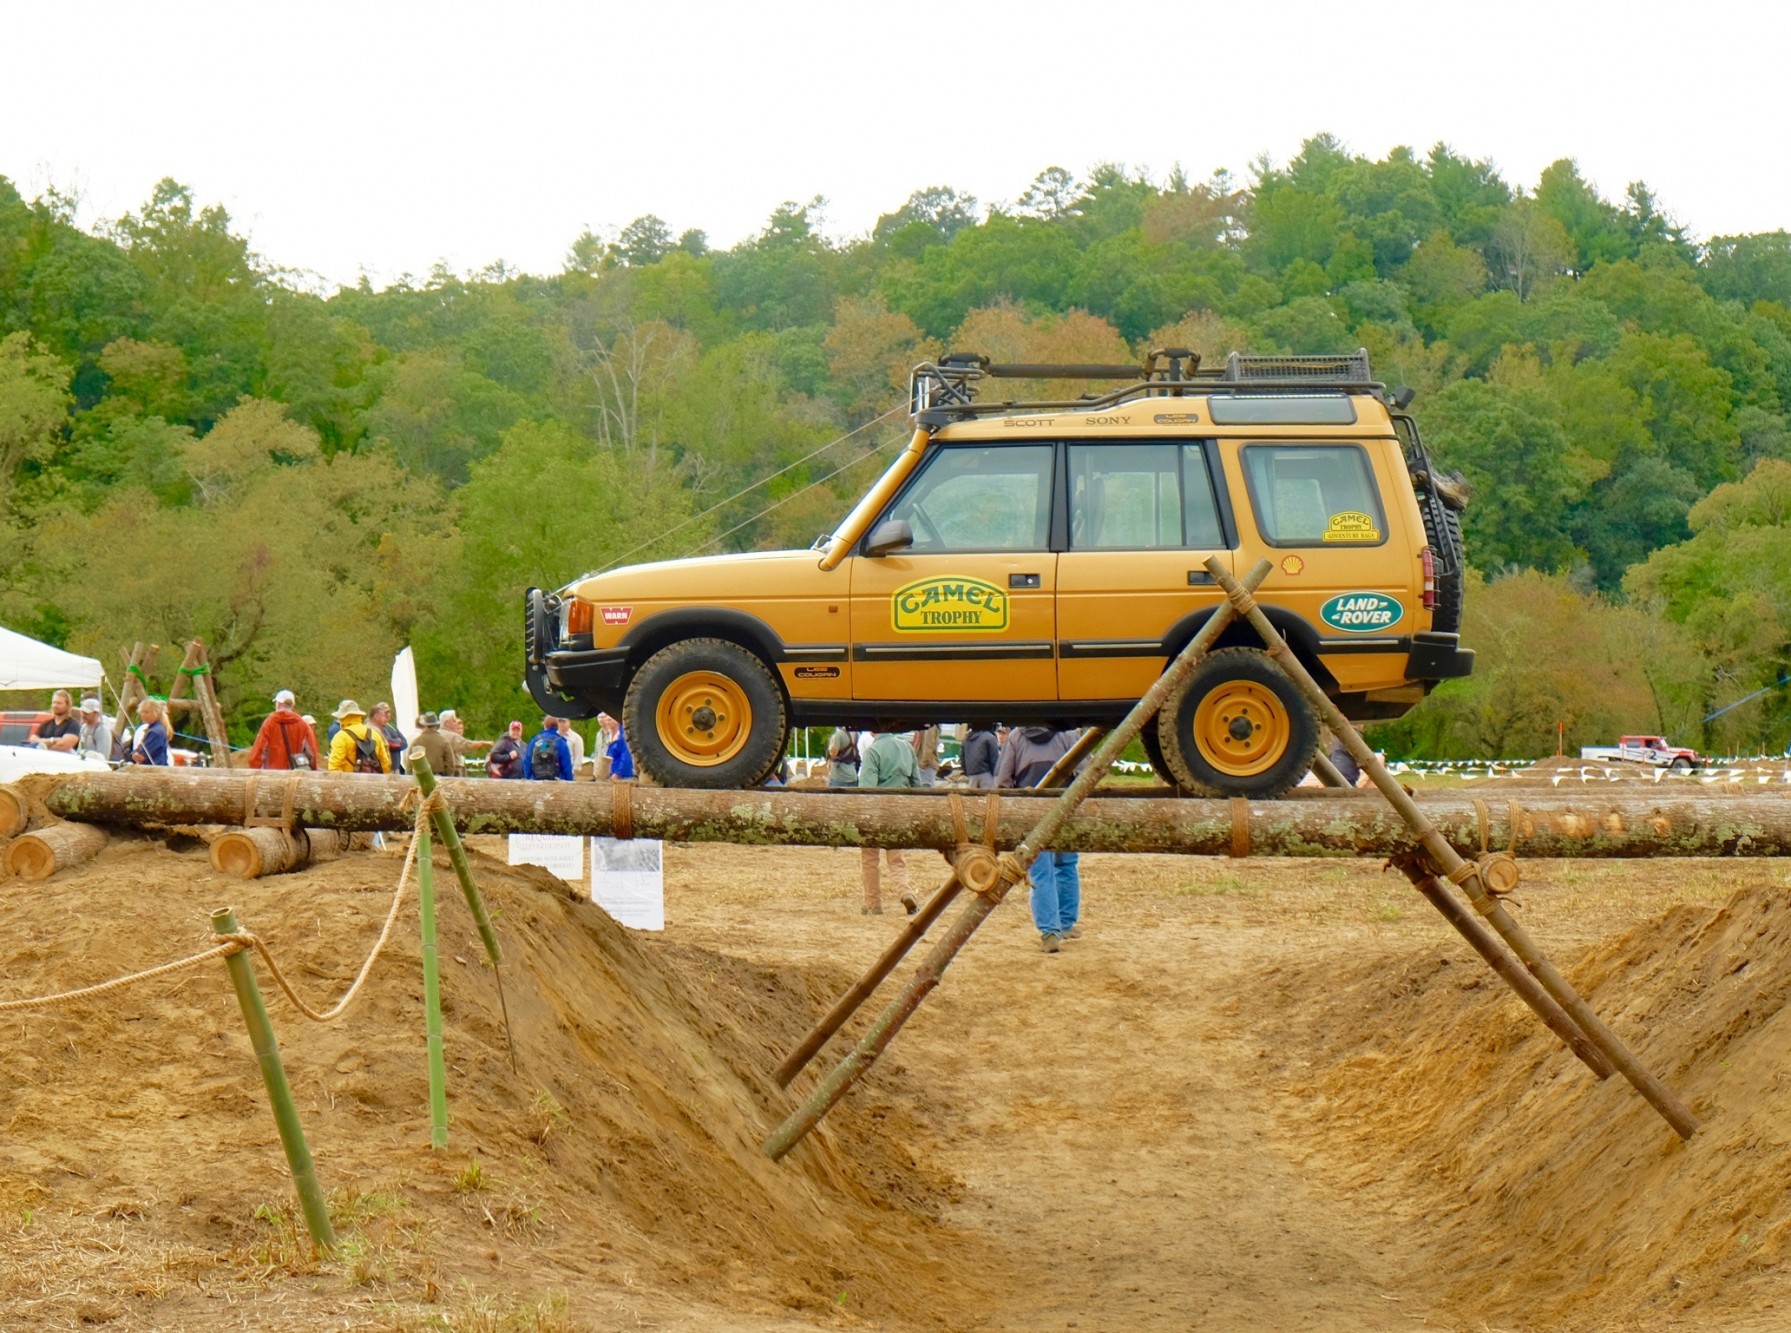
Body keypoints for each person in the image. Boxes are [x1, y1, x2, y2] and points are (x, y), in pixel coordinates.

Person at [998, 726, 1083, 953]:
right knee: (1067, 865)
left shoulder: (1015, 737)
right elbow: (1084, 771)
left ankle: (1049, 932)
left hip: (1031, 813)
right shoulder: (1068, 734)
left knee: (1040, 872)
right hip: (1064, 808)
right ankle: (1066, 923)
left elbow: (1004, 780)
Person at [857, 724, 919, 915]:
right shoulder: (907, 747)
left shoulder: (873, 751)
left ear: (872, 730)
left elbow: (867, 789)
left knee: (870, 858)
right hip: (899, 809)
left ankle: (873, 903)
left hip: (877, 811)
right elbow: (916, 784)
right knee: (896, 858)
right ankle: (905, 892)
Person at [246, 689, 320, 771]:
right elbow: (312, 753)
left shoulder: (269, 723)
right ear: (292, 705)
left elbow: (258, 752)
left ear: (278, 704)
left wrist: (256, 769)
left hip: (271, 775)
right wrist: (312, 770)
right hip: (295, 775)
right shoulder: (303, 725)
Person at [327, 700, 392, 774]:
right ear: (359, 716)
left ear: (342, 717)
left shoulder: (340, 737)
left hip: (349, 782)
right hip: (373, 781)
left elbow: (334, 767)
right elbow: (385, 763)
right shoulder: (374, 734)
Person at [411, 711, 459, 777]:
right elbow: (450, 763)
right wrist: (447, 776)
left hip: (421, 778)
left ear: (425, 725)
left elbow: (410, 762)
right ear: (436, 725)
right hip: (440, 776)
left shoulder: (416, 742)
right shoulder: (444, 741)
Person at [526, 715, 573, 781]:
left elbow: (527, 761)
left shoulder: (535, 740)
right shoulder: (561, 742)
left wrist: (529, 778)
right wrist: (569, 781)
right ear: (557, 726)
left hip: (536, 780)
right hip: (557, 781)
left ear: (545, 725)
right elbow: (567, 766)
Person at [131, 698, 171, 766]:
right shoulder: (153, 729)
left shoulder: (155, 732)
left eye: (146, 712)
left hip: (154, 770)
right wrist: (134, 753)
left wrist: (136, 754)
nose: (143, 714)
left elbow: (142, 755)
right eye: (142, 712)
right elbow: (137, 750)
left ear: (155, 713)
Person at [371, 702, 407, 775]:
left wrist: (395, 742)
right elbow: (386, 743)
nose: (387, 715)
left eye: (388, 712)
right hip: (383, 769)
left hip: (396, 769)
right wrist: (397, 741)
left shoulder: (392, 727)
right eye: (384, 713)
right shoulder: (376, 728)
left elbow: (405, 743)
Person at [961, 723, 999, 789]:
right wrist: (996, 775)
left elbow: (962, 760)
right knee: (989, 798)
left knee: (973, 798)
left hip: (971, 776)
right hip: (986, 775)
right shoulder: (990, 737)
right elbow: (994, 759)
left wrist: (967, 772)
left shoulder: (967, 739)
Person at [76, 697, 113, 761]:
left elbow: (103, 757)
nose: (83, 715)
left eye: (87, 713)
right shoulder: (83, 728)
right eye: (83, 712)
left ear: (96, 713)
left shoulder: (102, 730)